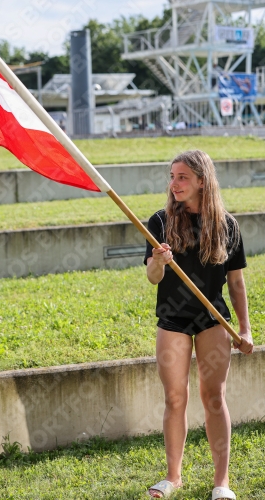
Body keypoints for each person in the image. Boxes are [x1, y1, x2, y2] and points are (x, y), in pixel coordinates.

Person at [144, 150, 253, 500]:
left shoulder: (226, 225)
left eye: (182, 177)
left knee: (213, 397)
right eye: (172, 176)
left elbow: (236, 284)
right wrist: (159, 261)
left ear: (202, 181)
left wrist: (246, 329)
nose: (174, 184)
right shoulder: (159, 222)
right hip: (173, 320)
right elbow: (151, 277)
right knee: (175, 397)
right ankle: (173, 478)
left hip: (213, 320)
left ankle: (222, 483)